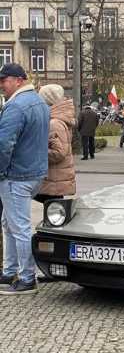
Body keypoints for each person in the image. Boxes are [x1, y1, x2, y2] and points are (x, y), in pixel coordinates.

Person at [0, 63, 49, 295]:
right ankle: (9, 272)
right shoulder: (39, 102)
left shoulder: (16, 107)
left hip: (15, 175)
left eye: (4, 80)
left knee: (18, 227)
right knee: (9, 224)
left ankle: (27, 278)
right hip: (35, 173)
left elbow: (4, 144)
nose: (1, 85)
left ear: (19, 80)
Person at [36, 84, 76, 203]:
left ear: (47, 101)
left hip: (53, 181)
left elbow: (58, 153)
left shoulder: (54, 123)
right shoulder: (55, 118)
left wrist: (35, 152)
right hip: (53, 180)